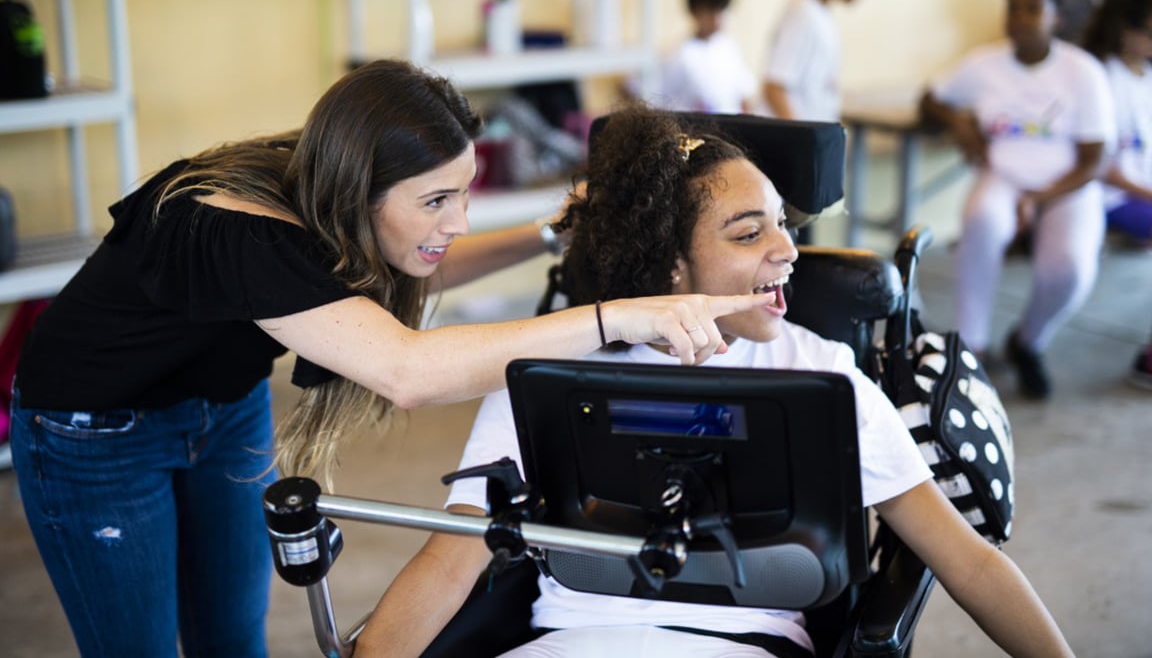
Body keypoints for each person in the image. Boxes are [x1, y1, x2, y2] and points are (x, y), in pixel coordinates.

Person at [7, 60, 771, 658]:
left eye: (463, 193)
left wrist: (551, 232)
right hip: (97, 432)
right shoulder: (235, 227)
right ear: (363, 192)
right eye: (437, 201)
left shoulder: (330, 183)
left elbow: (416, 261)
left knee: (232, 636)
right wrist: (616, 318)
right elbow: (408, 372)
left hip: (225, 407)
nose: (457, 220)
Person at [354, 105, 1075, 658]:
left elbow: (968, 564)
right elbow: (449, 562)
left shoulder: (820, 375)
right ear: (671, 266)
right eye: (748, 233)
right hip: (569, 640)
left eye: (785, 225)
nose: (788, 250)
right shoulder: (548, 372)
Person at [920, 0, 1116, 400]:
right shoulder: (983, 64)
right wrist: (957, 120)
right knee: (981, 220)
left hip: (1068, 185)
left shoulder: (1082, 71)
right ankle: (973, 346)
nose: (1021, 18)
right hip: (1004, 176)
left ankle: (1028, 341)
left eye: (1033, 9)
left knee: (1068, 268)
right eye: (1013, 8)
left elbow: (1094, 161)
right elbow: (930, 97)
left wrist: (1039, 199)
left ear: (1056, 18)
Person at [1081, 0, 1152, 388]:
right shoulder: (1103, 77)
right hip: (1113, 196)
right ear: (1127, 30)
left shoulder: (1145, 75)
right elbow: (1103, 167)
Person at [652, 0, 757, 115]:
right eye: (710, 11)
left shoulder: (729, 47)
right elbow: (651, 97)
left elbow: (744, 98)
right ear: (694, 11)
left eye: (721, 10)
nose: (717, 19)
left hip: (734, 126)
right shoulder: (678, 55)